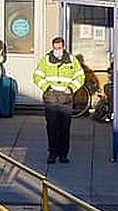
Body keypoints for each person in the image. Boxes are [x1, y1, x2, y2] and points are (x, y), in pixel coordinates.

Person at [33, 36, 85, 164]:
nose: (57, 50)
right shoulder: (46, 60)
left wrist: (72, 88)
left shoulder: (72, 60)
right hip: (51, 98)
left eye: (59, 48)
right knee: (52, 127)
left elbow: (80, 76)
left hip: (66, 99)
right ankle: (52, 153)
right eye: (55, 48)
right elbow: (37, 76)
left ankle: (63, 154)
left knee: (65, 128)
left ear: (63, 47)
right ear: (52, 47)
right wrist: (46, 87)